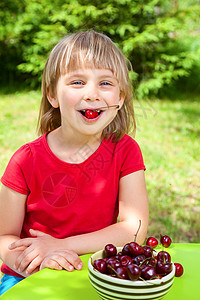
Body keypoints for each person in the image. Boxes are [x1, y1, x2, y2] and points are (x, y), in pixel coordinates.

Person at [0, 30, 149, 295]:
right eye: (78, 82)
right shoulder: (25, 160)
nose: (92, 94)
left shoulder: (126, 151)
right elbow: (4, 237)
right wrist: (35, 262)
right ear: (52, 95)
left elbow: (134, 229)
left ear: (121, 98)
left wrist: (60, 245)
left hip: (97, 273)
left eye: (105, 83)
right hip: (32, 276)